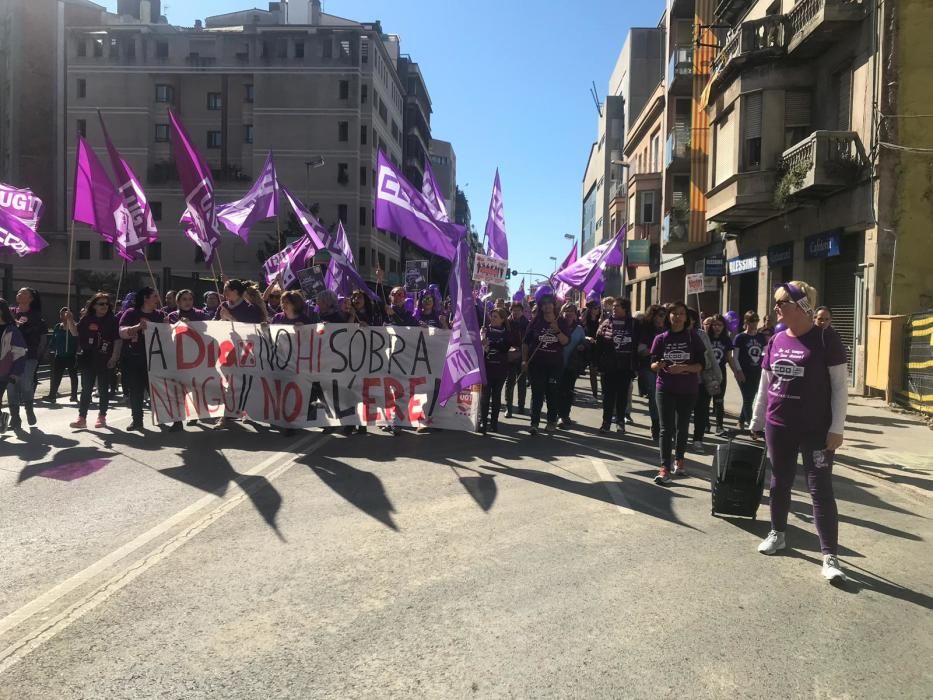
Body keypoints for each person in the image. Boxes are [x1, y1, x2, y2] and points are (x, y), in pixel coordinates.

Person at [750, 281, 849, 583]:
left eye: (782, 302)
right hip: (778, 425)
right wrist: (756, 420)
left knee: (820, 490)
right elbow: (766, 384)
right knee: (779, 483)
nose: (776, 307)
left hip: (816, 430)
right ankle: (778, 533)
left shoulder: (826, 339)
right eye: (777, 302)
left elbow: (840, 388)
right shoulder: (776, 340)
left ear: (802, 306)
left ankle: (829, 555)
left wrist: (837, 428)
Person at [649, 301, 706, 484]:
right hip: (665, 387)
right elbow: (652, 364)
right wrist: (658, 365)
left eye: (681, 313)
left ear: (687, 318)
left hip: (688, 389)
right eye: (674, 313)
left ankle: (679, 460)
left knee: (682, 426)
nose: (677, 317)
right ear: (668, 316)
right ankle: (664, 467)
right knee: (666, 428)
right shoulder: (661, 338)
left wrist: (682, 368)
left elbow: (701, 366)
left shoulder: (693, 338)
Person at [67, 293, 121, 429]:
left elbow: (117, 340)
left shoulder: (112, 320)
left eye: (106, 304)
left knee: (103, 389)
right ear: (94, 306)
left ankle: (102, 417)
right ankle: (82, 418)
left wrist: (114, 357)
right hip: (87, 358)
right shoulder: (87, 319)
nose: (104, 306)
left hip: (105, 359)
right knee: (86, 389)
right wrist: (69, 320)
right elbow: (75, 333)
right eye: (101, 304)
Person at [522, 290, 569, 435]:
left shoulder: (561, 322)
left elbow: (565, 341)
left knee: (552, 393)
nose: (547, 307)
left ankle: (551, 421)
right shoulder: (535, 322)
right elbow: (525, 342)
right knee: (537, 394)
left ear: (553, 306)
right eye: (544, 305)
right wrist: (524, 361)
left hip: (555, 365)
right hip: (537, 364)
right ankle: (534, 423)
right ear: (541, 307)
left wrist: (556, 331)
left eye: (549, 304)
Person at [119, 287, 165, 432]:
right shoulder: (131, 313)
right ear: (145, 298)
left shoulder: (160, 315)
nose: (158, 299)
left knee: (156, 391)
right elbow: (122, 333)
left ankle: (162, 417)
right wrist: (138, 327)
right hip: (134, 358)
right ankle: (137, 420)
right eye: (155, 296)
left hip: (155, 360)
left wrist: (167, 326)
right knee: (136, 391)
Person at [595, 297, 637, 435]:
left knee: (622, 396)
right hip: (609, 366)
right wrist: (597, 364)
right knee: (608, 396)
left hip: (625, 366)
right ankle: (606, 422)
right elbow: (599, 344)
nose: (614, 308)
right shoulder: (606, 323)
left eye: (617, 306)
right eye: (613, 306)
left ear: (625, 308)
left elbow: (637, 344)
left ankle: (620, 422)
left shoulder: (633, 324)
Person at [8, 287, 46, 429]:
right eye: (18, 292)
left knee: (25, 384)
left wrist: (40, 353)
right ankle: (15, 417)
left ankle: (29, 410)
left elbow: (38, 334)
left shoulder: (36, 315)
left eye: (23, 293)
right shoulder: (10, 312)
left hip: (29, 355)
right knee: (11, 387)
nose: (19, 294)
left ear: (31, 298)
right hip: (10, 356)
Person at [689, 308, 723, 453]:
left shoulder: (701, 334)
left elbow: (710, 355)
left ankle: (698, 439)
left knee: (701, 411)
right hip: (681, 381)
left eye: (691, 318)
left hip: (702, 379)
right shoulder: (674, 334)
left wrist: (717, 375)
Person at [707, 314, 743, 434]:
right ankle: (705, 424)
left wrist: (736, 372)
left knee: (719, 400)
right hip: (707, 372)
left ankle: (719, 425)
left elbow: (729, 358)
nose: (717, 327)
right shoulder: (706, 338)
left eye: (720, 325)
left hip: (720, 373)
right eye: (714, 325)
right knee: (705, 400)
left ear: (724, 326)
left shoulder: (726, 340)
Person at [636, 305, 666, 441]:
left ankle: (665, 425)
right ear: (652, 316)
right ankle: (656, 426)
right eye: (659, 315)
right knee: (654, 396)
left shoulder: (668, 329)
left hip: (665, 367)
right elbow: (641, 350)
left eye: (664, 315)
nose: (662, 318)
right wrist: (655, 349)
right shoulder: (645, 330)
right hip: (648, 367)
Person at [479, 308, 511, 434]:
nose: (492, 318)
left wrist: (491, 343)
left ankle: (494, 422)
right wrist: (481, 339)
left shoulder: (506, 333)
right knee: (485, 396)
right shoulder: (485, 331)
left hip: (500, 369)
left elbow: (505, 347)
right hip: (487, 368)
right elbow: (479, 349)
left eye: (496, 316)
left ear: (502, 319)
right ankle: (483, 421)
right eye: (492, 316)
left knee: (496, 396)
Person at [733, 311, 766, 429]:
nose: (754, 324)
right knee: (747, 398)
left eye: (756, 321)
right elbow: (735, 357)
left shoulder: (761, 337)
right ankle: (752, 426)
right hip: (744, 372)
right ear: (746, 322)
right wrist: (738, 371)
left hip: (758, 372)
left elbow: (766, 354)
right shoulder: (740, 337)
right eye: (752, 321)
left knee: (752, 397)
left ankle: (741, 421)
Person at [557, 303, 587, 428]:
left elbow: (584, 344)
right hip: (556, 364)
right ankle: (556, 414)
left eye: (572, 311)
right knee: (556, 391)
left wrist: (583, 346)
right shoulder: (556, 326)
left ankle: (564, 416)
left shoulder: (579, 329)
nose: (569, 313)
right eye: (566, 310)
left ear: (576, 315)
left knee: (567, 392)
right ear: (562, 312)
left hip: (571, 366)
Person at [0, 298, 27, 433]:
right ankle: (2, 418)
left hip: (3, 371)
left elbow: (20, 353)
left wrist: (16, 372)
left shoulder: (12, 330)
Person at [46, 307, 79, 403]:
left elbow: (76, 336)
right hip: (59, 355)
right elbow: (53, 339)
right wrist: (51, 348)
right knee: (56, 376)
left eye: (65, 314)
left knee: (73, 376)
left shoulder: (75, 326)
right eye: (61, 314)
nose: (62, 316)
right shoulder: (57, 326)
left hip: (71, 355)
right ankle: (52, 395)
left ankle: (74, 395)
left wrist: (70, 320)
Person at [504, 301, 529, 417]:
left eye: (518, 310)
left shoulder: (527, 323)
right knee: (509, 382)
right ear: (511, 310)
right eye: (514, 310)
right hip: (510, 356)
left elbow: (529, 340)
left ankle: (521, 407)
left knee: (522, 382)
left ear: (522, 311)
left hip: (523, 355)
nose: (516, 312)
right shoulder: (507, 323)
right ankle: (508, 408)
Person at [582, 299, 602, 399]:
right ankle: (594, 394)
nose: (597, 310)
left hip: (600, 348)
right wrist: (588, 338)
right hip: (589, 348)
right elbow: (581, 334)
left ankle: (605, 392)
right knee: (593, 372)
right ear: (590, 309)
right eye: (595, 308)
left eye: (598, 308)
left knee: (602, 372)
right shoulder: (585, 321)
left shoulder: (601, 320)